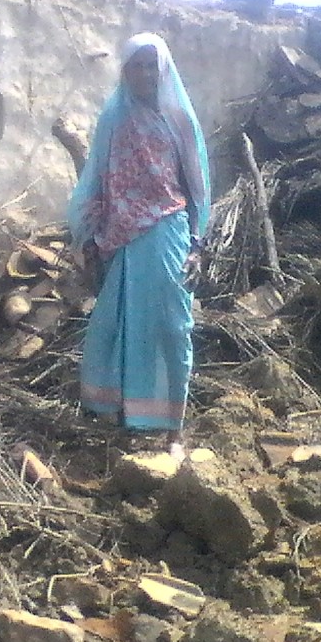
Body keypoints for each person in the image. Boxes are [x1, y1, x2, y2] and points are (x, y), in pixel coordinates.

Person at [67, 32, 211, 454]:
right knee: (118, 322)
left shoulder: (178, 118)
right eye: (138, 65)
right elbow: (97, 176)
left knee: (172, 324)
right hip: (122, 236)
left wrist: (197, 243)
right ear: (125, 71)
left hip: (168, 227)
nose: (146, 73)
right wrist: (91, 233)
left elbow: (197, 185)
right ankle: (120, 413)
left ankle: (173, 428)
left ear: (163, 69)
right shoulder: (114, 117)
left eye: (153, 65)